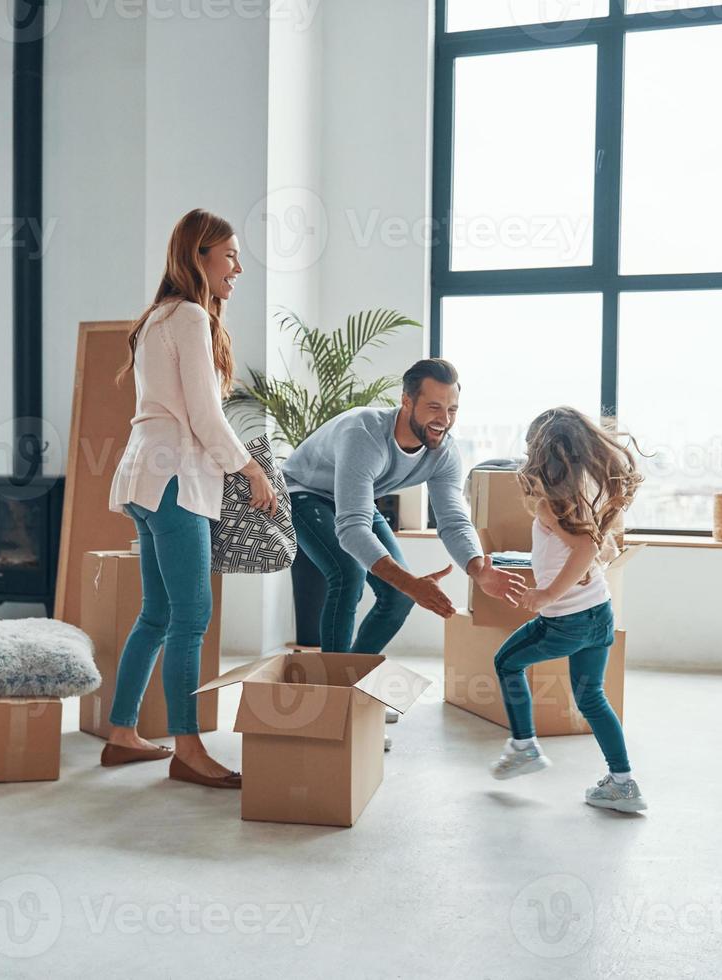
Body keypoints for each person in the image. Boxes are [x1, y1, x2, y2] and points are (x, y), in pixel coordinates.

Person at [102, 208, 278, 790]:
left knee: (156, 614)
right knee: (192, 618)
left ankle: (123, 733)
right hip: (175, 477)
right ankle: (189, 748)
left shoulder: (158, 317)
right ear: (198, 256)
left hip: (146, 477)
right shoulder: (191, 317)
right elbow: (203, 415)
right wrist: (250, 467)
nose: (238, 267)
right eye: (229, 255)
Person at [283, 358, 528, 664]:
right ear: (407, 402)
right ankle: (331, 690)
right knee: (348, 573)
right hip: (305, 493)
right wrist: (412, 582)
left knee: (398, 597)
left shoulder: (444, 452)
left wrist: (478, 569)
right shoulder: (364, 434)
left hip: (357, 501)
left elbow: (452, 519)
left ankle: (351, 679)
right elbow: (352, 529)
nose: (445, 419)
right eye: (434, 407)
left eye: (452, 410)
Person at [486, 407, 647, 813]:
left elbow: (586, 547)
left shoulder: (553, 502)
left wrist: (545, 595)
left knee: (506, 662)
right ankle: (623, 783)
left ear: (546, 453)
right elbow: (594, 545)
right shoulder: (592, 486)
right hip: (599, 612)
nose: (526, 460)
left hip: (566, 621)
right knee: (591, 695)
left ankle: (523, 746)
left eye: (528, 450)